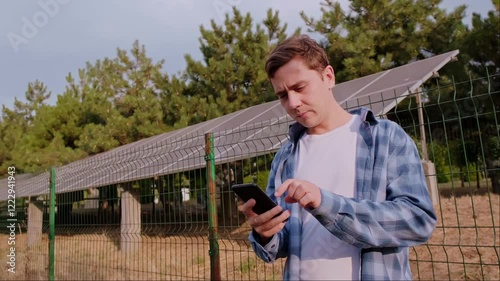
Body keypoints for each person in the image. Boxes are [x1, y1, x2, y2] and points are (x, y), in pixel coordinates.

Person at [240, 34, 437, 280]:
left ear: (328, 77)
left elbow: (418, 221)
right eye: (282, 95)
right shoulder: (285, 157)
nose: (293, 103)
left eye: (300, 87)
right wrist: (265, 232)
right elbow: (280, 244)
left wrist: (325, 203)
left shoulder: (385, 138)